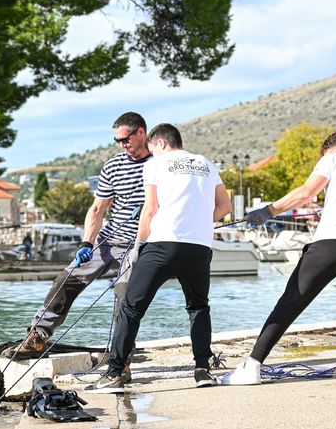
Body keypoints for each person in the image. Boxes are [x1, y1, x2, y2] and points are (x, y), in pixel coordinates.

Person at [223, 130, 336, 385]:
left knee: (290, 302)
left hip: (332, 244)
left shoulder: (334, 159)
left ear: (335, 150)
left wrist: (267, 211)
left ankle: (252, 366)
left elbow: (305, 193)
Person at [0, 112, 153, 371]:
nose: (122, 145)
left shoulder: (159, 164)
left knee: (124, 295)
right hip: (108, 240)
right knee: (67, 279)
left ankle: (121, 357)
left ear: (141, 132)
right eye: (117, 141)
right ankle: (38, 336)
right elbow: (97, 209)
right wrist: (86, 243)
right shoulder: (114, 165)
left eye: (125, 139)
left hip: (139, 243)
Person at [87, 123, 232, 392]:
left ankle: (114, 374)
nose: (151, 152)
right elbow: (225, 207)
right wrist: (197, 221)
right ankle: (203, 370)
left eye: (152, 148)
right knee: (198, 307)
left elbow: (150, 209)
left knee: (131, 307)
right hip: (199, 248)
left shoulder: (155, 164)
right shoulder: (206, 164)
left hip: (163, 244)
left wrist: (139, 245)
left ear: (161, 143)